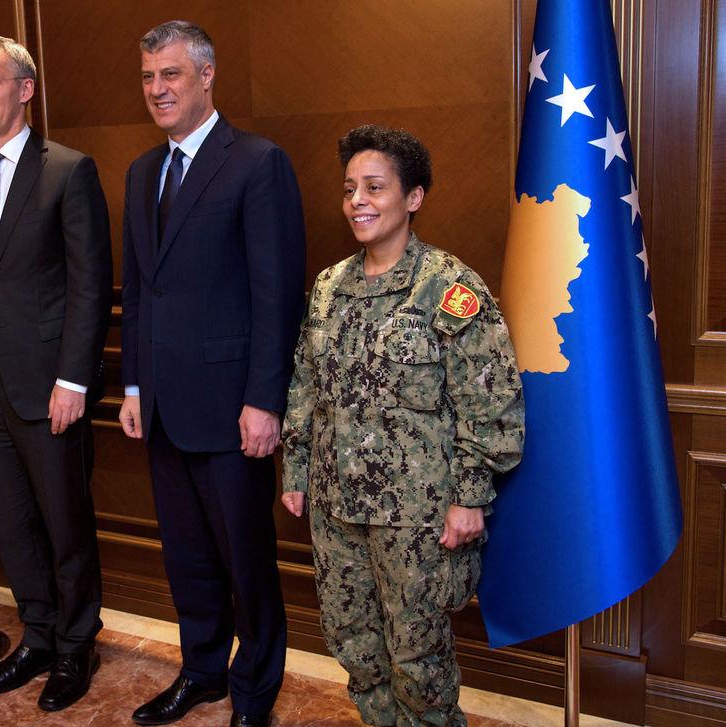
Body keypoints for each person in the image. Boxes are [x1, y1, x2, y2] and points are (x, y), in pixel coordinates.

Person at [281, 125, 525, 726]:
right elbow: (306, 385)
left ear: (413, 197)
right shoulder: (329, 288)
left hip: (418, 519)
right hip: (337, 511)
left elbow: (491, 404)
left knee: (420, 664)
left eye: (374, 187)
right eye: (349, 189)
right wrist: (296, 470)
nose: (357, 202)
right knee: (356, 648)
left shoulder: (450, 288)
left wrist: (469, 498)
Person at [118, 20, 307, 727]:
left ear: (206, 75)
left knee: (245, 561)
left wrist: (265, 401)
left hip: (233, 410)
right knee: (188, 559)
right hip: (163, 407)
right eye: (147, 77)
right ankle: (201, 672)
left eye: (170, 74)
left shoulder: (257, 162)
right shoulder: (142, 172)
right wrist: (133, 385)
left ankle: (254, 692)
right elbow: (141, 290)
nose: (157, 89)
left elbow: (277, 294)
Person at [0, 36, 112, 712]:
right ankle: (37, 636)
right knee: (13, 528)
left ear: (25, 89)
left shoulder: (68, 170)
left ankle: (76, 645)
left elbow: (89, 285)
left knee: (65, 525)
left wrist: (74, 380)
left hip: (50, 389)